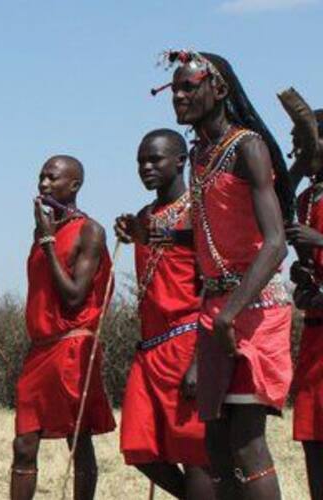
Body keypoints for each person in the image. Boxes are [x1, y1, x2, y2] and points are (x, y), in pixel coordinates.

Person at [158, 50, 293, 498]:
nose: (178, 95)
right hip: (219, 309)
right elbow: (205, 238)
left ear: (218, 89)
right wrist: (151, 235)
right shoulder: (199, 156)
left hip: (255, 309)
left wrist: (228, 315)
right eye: (174, 88)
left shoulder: (247, 147)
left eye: (188, 86)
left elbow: (275, 243)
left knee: (247, 442)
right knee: (215, 445)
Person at [11, 155, 115, 500]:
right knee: (24, 443)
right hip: (40, 350)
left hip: (72, 347)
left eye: (52, 178)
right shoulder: (46, 232)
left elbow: (73, 297)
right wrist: (45, 238)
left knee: (78, 439)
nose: (43, 184)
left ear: (74, 185)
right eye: (41, 177)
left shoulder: (90, 231)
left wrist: (47, 243)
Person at [114, 130, 211, 499]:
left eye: (155, 159)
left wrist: (201, 360)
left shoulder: (199, 212)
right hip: (150, 348)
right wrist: (134, 233)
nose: (146, 167)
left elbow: (213, 289)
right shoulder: (145, 215)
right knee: (139, 447)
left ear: (181, 161)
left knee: (195, 452)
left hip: (189, 341)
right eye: (141, 161)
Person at [284, 106, 323, 498]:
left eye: (306, 143)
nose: (298, 154)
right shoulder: (306, 197)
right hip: (315, 334)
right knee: (313, 438)